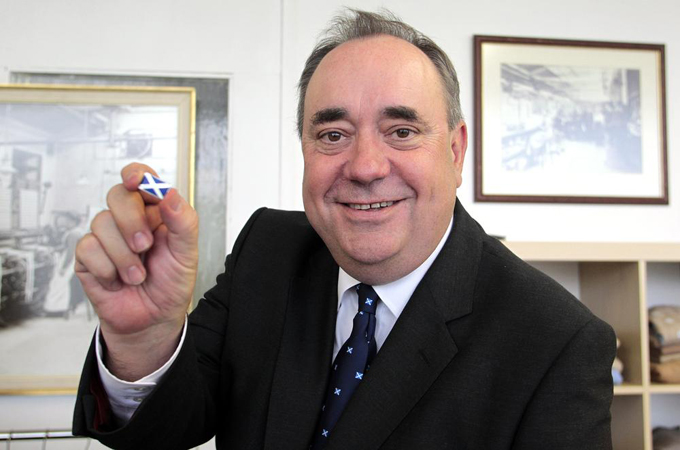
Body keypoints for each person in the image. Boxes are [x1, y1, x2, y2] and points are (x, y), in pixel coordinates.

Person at [72, 9, 616, 450]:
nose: (365, 167)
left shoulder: (556, 342)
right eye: (333, 135)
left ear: (455, 151)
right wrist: (143, 340)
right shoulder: (267, 251)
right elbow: (168, 429)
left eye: (401, 131)